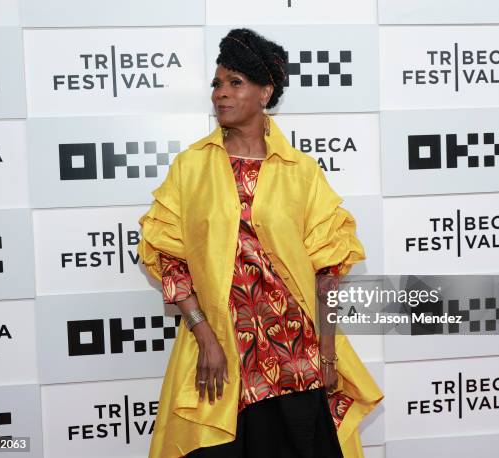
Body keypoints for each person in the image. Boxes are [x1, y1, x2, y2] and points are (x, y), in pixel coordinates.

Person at [137, 28, 384, 458]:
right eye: (217, 83)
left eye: (235, 83)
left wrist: (326, 351)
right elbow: (168, 257)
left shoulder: (300, 170)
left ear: (265, 91)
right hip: (224, 352)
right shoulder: (191, 166)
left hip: (293, 352)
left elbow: (328, 270)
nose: (221, 94)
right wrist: (205, 339)